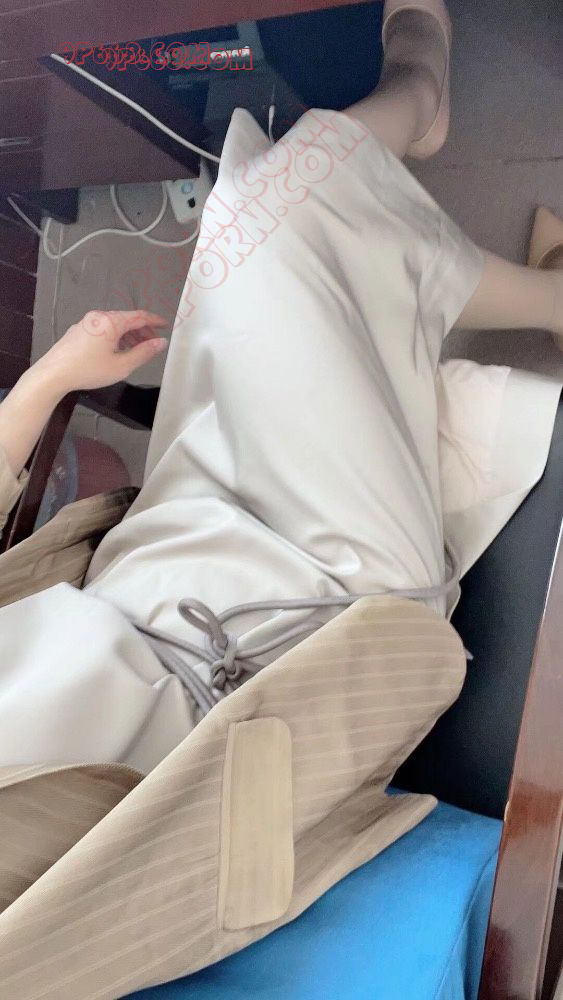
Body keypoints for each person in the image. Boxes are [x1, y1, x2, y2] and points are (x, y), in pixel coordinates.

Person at [0, 0, 561, 777]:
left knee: (255, 218)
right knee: (286, 213)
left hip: (164, 548)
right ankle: (420, 85)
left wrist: (49, 377)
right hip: (290, 654)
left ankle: (426, 109)